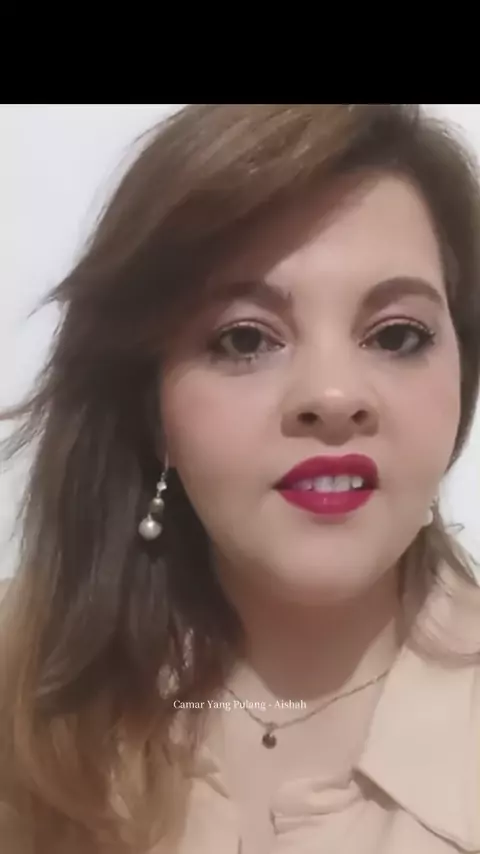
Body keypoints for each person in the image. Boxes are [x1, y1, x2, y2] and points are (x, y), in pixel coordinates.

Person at [0, 104, 480, 854]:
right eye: (246, 339)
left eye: (396, 335)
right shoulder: (17, 682)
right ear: (151, 409)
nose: (333, 396)